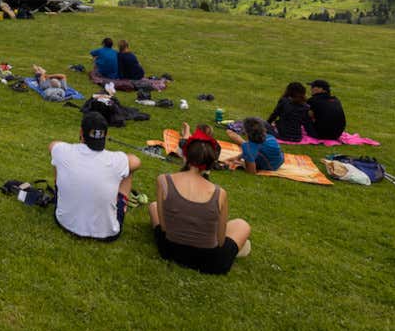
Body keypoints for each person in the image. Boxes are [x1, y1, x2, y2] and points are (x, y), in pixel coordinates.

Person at [148, 126, 251, 274]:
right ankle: (237, 248)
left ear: (186, 155)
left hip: (170, 250)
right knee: (241, 225)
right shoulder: (219, 193)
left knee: (154, 206)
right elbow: (220, 241)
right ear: (210, 163)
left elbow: (164, 228)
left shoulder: (163, 180)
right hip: (209, 261)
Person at [49, 111, 141, 241]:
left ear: (81, 132)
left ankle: (62, 193)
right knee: (128, 170)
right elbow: (136, 161)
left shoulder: (63, 151)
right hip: (107, 233)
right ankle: (121, 204)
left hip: (65, 222)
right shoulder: (117, 160)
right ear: (106, 134)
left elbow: (52, 145)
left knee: (57, 160)